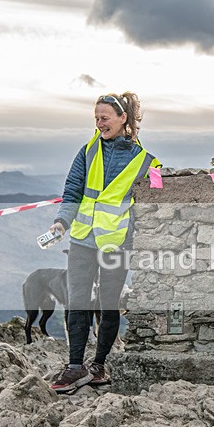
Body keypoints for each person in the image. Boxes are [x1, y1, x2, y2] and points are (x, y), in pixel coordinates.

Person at [49, 92, 161, 393]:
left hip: (117, 243)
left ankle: (99, 365)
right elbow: (72, 190)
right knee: (77, 301)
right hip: (83, 239)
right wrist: (62, 222)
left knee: (109, 305)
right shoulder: (87, 151)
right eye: (96, 118)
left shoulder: (147, 162)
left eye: (104, 118)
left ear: (123, 118)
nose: (99, 124)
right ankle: (75, 366)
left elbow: (153, 204)